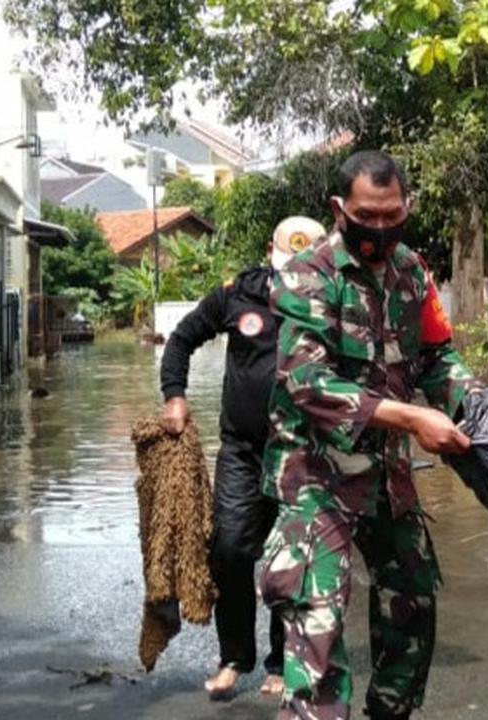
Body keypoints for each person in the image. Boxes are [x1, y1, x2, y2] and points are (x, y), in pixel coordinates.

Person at [258, 150, 478, 720]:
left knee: (413, 605)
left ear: (406, 206)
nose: (379, 229)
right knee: (318, 628)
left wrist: (471, 405)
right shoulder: (308, 275)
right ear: (339, 209)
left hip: (386, 474)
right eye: (366, 216)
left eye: (390, 214)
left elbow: (435, 356)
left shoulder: (412, 272)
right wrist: (411, 418)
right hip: (314, 478)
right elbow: (308, 382)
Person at [158, 215, 328, 699]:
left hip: (302, 452)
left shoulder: (330, 298)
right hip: (242, 450)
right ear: (269, 254)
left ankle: (281, 660)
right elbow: (183, 338)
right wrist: (175, 395)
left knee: (290, 557)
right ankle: (235, 657)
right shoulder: (238, 293)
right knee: (230, 549)